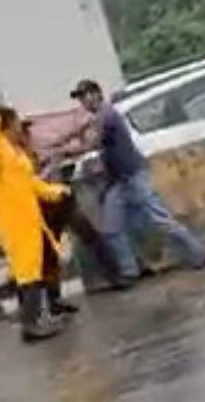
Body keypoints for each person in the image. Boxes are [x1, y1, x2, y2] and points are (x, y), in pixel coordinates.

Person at [62, 79, 205, 282]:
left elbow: (92, 143)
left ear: (96, 94)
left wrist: (64, 151)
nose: (83, 102)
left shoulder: (107, 114)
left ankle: (198, 254)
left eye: (85, 96)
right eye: (80, 98)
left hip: (133, 175)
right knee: (113, 227)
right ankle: (130, 271)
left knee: (159, 220)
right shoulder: (100, 116)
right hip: (118, 179)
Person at [0, 106, 72, 341]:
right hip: (14, 223)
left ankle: (39, 317)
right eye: (15, 124)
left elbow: (30, 183)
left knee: (35, 268)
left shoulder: (16, 153)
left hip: (29, 219)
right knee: (27, 272)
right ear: (6, 126)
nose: (18, 128)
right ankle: (30, 325)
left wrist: (55, 191)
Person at [18, 119, 125, 289]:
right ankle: (52, 294)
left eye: (27, 133)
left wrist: (79, 131)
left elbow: (62, 144)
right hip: (44, 207)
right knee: (48, 251)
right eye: (24, 133)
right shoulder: (17, 158)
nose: (28, 136)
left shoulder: (38, 150)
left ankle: (115, 275)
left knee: (90, 235)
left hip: (62, 201)